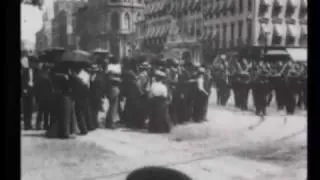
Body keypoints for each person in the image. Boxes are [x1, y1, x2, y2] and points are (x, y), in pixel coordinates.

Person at [46, 67, 77, 139]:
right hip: (64, 97)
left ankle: (62, 132)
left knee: (63, 115)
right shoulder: (65, 77)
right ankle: (65, 132)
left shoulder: (58, 75)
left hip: (62, 96)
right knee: (65, 116)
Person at [105, 56, 122, 129]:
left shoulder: (108, 67)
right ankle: (111, 123)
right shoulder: (116, 68)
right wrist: (119, 79)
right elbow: (116, 78)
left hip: (109, 88)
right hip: (114, 88)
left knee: (111, 106)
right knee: (113, 107)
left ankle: (108, 122)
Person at [21, 51, 34, 130]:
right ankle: (26, 124)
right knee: (26, 108)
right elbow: (23, 81)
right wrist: (24, 89)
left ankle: (29, 124)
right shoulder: (25, 71)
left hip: (31, 90)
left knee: (31, 108)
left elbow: (34, 80)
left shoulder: (33, 70)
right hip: (26, 91)